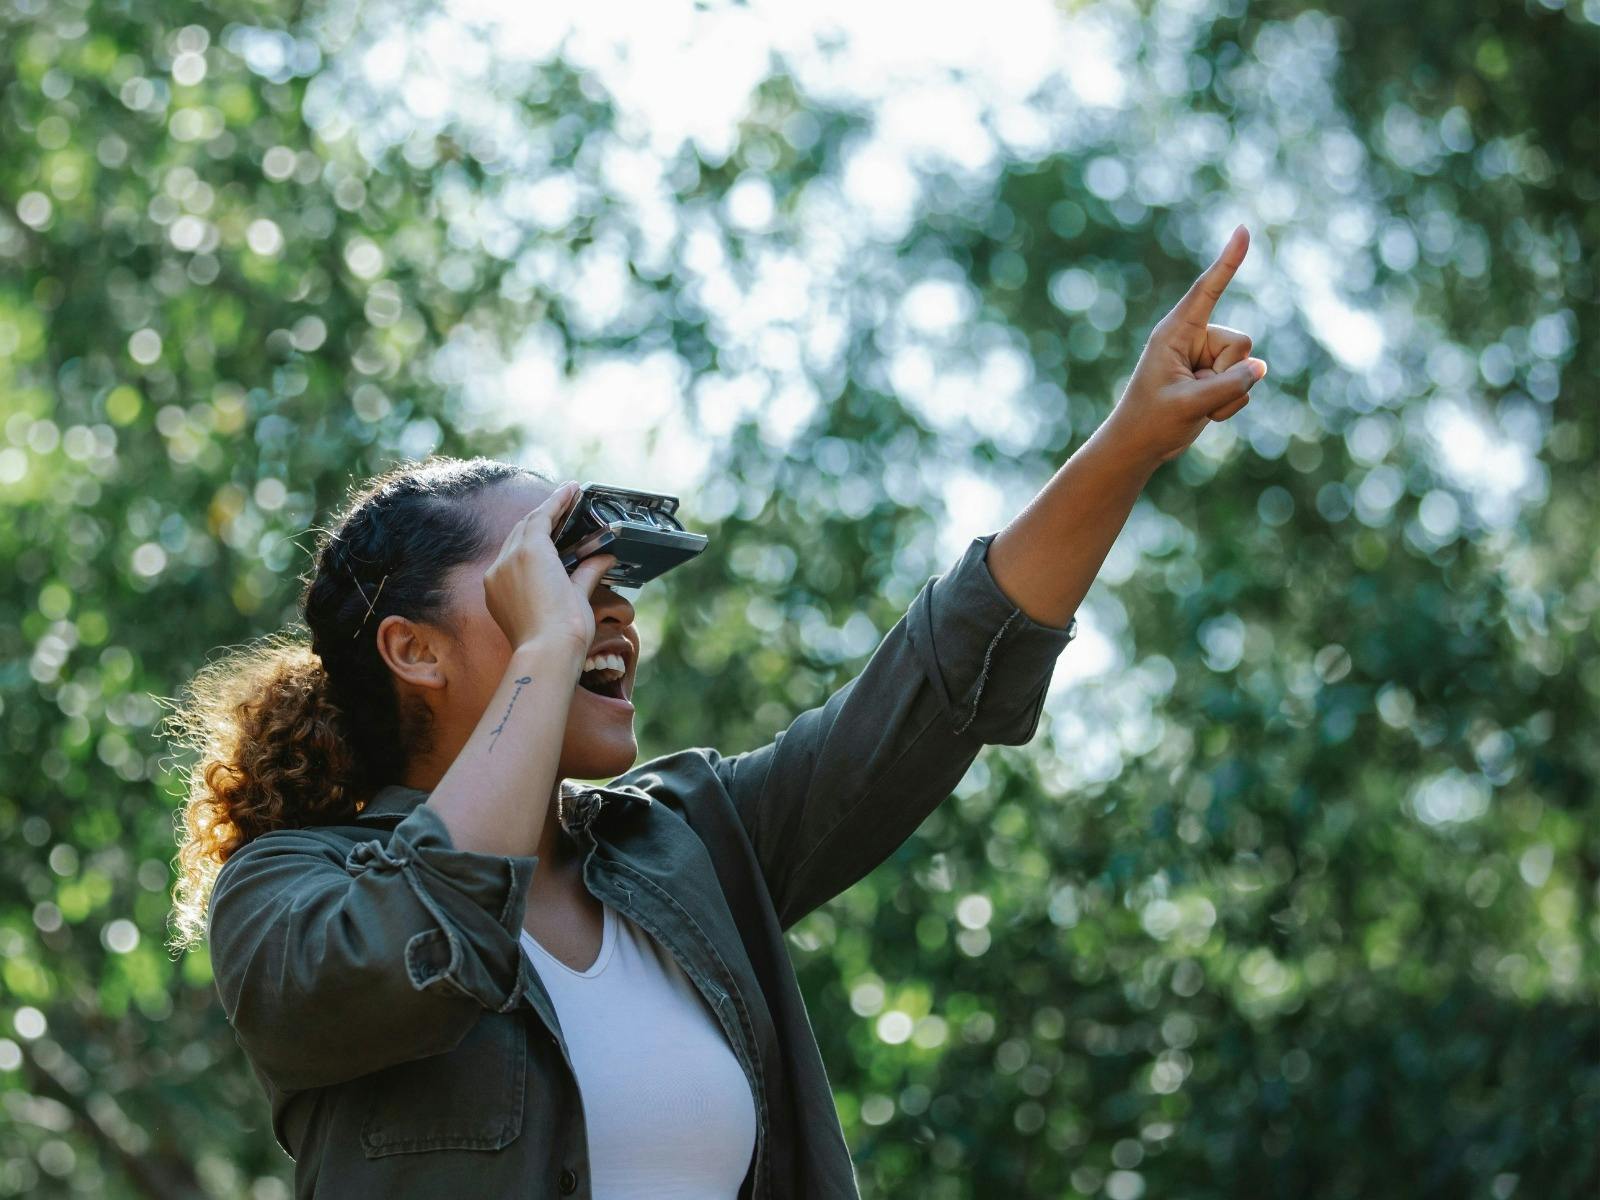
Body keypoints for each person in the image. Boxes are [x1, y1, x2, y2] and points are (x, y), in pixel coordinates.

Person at [164, 228, 1266, 1199]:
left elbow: (937, 684)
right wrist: (550, 649)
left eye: (608, 583)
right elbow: (429, 946)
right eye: (549, 571)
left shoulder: (690, 841)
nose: (610, 611)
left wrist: (1127, 444)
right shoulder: (288, 895)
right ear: (413, 649)